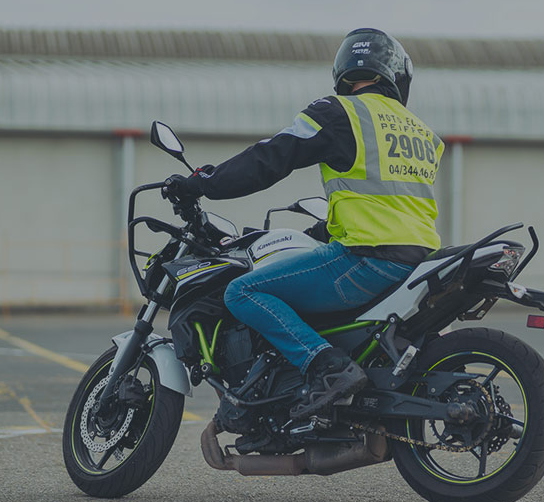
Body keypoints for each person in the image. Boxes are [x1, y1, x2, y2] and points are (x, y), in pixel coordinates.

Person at [163, 28, 444, 419]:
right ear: (397, 75)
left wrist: (204, 183)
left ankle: (326, 367)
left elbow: (271, 157)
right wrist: (320, 231)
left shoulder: (339, 112)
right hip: (418, 257)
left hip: (367, 258)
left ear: (344, 70)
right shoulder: (422, 133)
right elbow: (385, 201)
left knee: (242, 293)